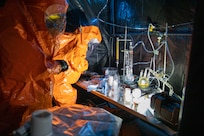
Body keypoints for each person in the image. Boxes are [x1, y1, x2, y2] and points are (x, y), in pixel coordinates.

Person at [0, 0, 102, 135]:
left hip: (36, 106)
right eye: (54, 16)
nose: (59, 23)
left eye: (61, 17)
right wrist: (62, 65)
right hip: (14, 107)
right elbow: (29, 65)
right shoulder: (13, 26)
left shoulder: (40, 35)